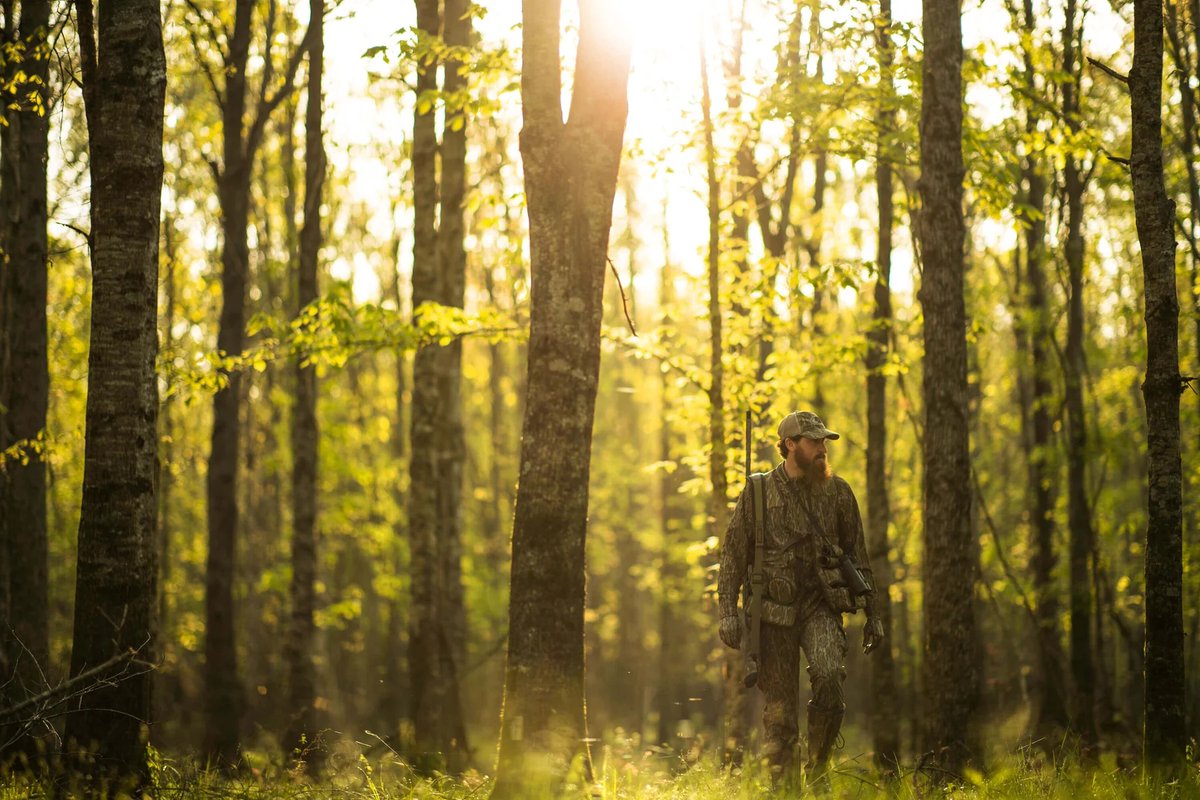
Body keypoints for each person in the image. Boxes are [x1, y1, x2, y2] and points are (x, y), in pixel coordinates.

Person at [718, 410, 885, 787]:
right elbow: (732, 555)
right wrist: (727, 611)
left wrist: (873, 613)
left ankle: (818, 765)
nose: (822, 448)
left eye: (824, 441)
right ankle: (783, 790)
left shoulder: (838, 492)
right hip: (772, 613)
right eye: (815, 442)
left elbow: (858, 555)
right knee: (779, 715)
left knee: (828, 677)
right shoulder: (758, 492)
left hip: (821, 606)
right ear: (790, 445)